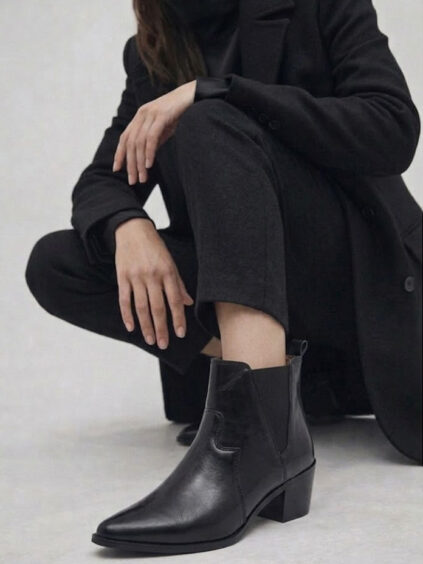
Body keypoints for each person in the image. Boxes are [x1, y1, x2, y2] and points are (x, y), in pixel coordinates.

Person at [25, 0, 422, 555]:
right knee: (59, 261)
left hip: (360, 288)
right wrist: (128, 225)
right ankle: (274, 398)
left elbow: (392, 127)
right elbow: (102, 179)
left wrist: (221, 92)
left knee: (209, 119)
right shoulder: (154, 53)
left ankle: (250, 443)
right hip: (260, 291)